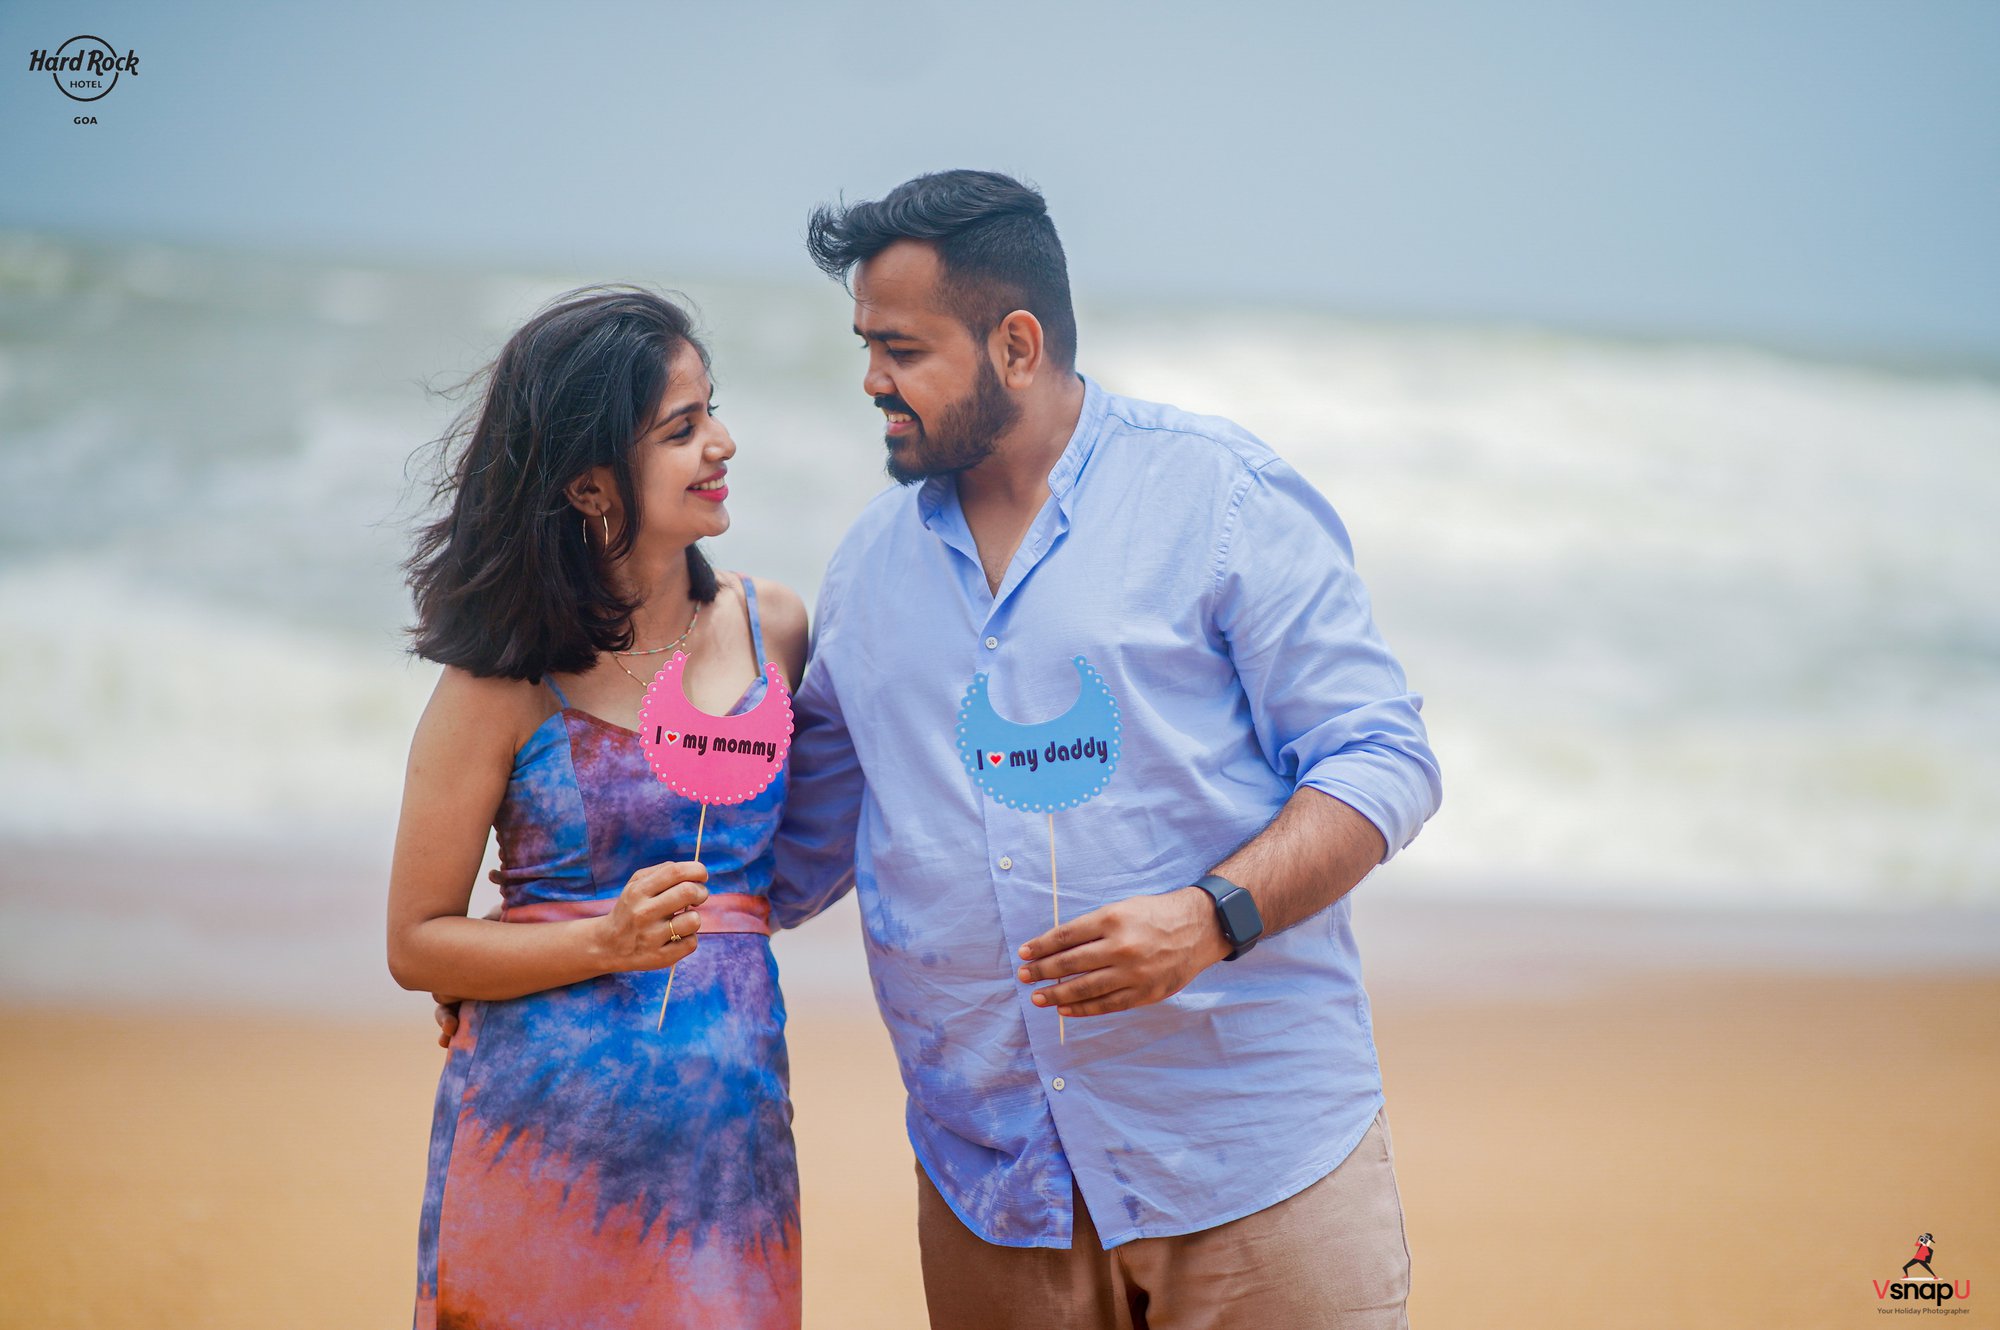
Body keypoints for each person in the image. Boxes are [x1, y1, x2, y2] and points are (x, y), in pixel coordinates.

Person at [773, 170, 1443, 1328]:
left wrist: (1207, 916)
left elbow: (1379, 757)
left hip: (1246, 1167)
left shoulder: (1217, 497)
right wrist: (549, 943)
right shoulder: (865, 572)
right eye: (864, 347)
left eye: (900, 349)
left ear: (1016, 345)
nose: (871, 381)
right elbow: (784, 861)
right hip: (991, 1189)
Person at [388, 286, 809, 1329]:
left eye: (711, 410)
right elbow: (415, 941)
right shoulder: (500, 682)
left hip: (729, 1150)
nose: (723, 443)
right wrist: (600, 942)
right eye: (681, 428)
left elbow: (839, 833)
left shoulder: (775, 631)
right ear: (588, 485)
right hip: (540, 1146)